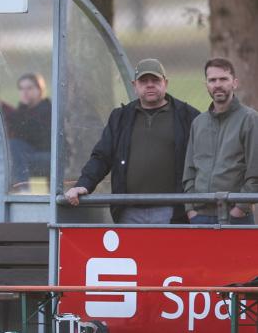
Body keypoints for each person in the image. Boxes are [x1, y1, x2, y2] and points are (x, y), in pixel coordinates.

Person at [65, 58, 199, 224]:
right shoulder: (120, 117)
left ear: (166, 83)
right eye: (143, 81)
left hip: (173, 211)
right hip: (128, 211)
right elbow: (101, 157)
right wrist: (84, 184)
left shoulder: (188, 116)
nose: (150, 85)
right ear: (134, 85)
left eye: (155, 80)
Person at [184, 58, 258, 225]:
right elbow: (189, 172)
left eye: (223, 79)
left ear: (234, 83)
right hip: (200, 216)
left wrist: (239, 209)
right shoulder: (198, 123)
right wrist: (191, 210)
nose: (217, 84)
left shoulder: (250, 120)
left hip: (235, 216)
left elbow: (255, 173)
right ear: (206, 85)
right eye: (212, 80)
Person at [8, 73, 52, 189]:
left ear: (40, 90)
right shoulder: (22, 111)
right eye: (21, 88)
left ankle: (23, 189)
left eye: (29, 88)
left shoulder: (48, 109)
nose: (24, 92)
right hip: (26, 153)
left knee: (14, 146)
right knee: (10, 151)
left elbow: (35, 136)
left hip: (48, 155)